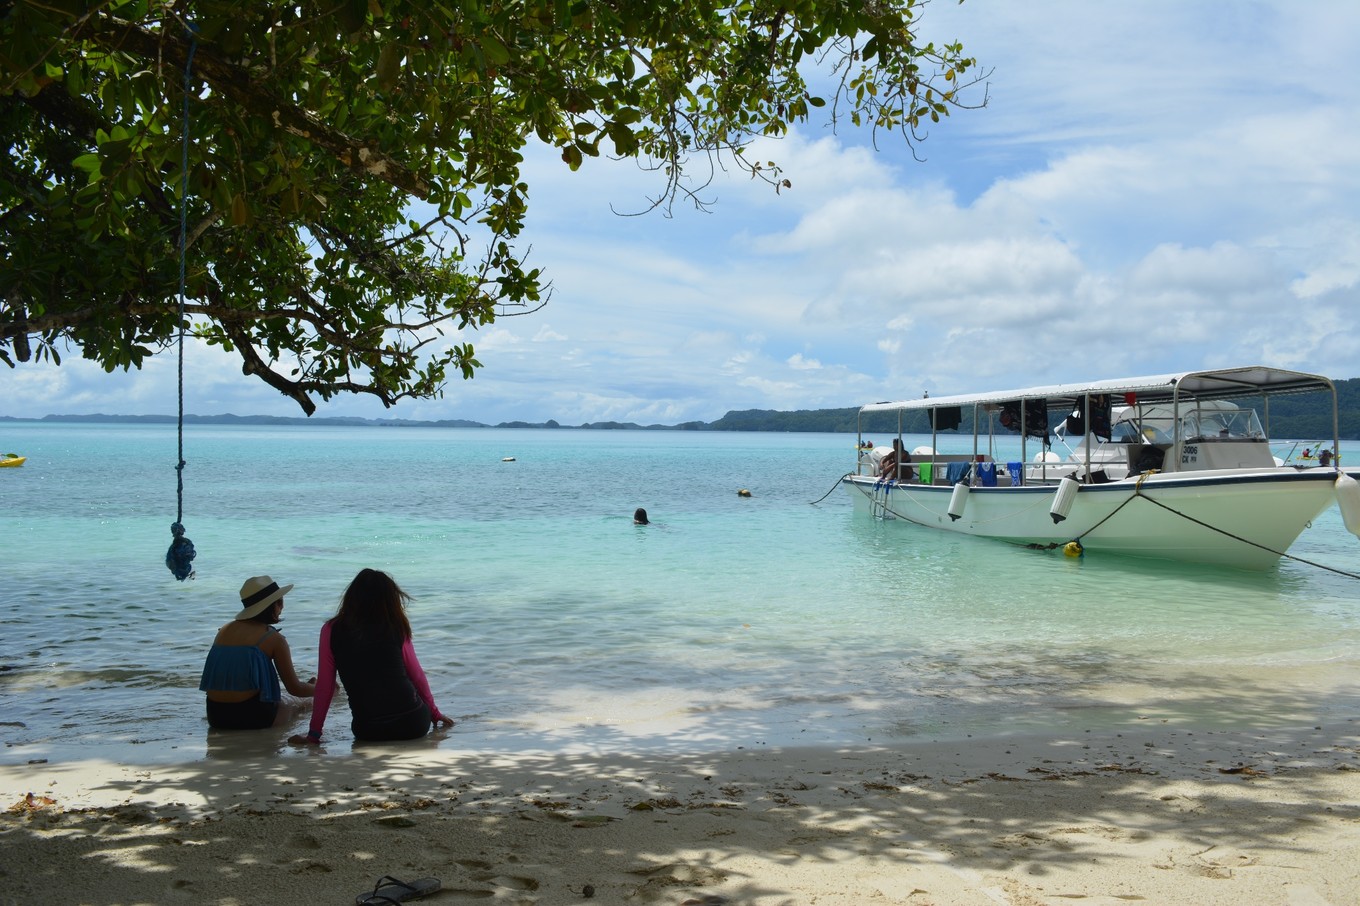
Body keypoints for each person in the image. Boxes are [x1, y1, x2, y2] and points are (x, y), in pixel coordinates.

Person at [291, 569, 452, 745]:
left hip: (368, 730)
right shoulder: (396, 627)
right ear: (391, 600)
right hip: (413, 725)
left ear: (351, 597)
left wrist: (314, 734)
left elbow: (325, 685)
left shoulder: (331, 630)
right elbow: (417, 676)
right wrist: (434, 713)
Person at [200, 575, 315, 730]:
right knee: (298, 703)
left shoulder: (224, 631)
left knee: (289, 698)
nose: (282, 607)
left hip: (216, 716)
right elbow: (295, 689)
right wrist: (324, 689)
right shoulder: (274, 638)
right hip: (255, 717)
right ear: (275, 604)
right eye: (280, 602)